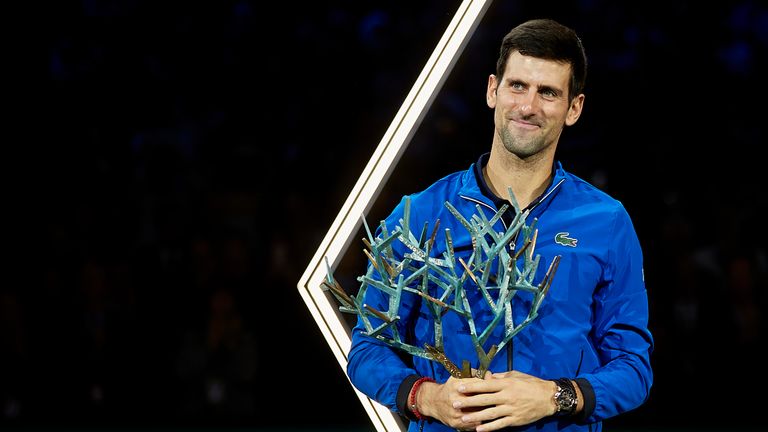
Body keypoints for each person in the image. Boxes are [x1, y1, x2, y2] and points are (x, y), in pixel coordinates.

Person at [346, 18, 653, 432]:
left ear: (573, 108)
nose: (528, 106)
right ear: (493, 90)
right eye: (517, 86)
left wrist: (554, 396)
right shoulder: (418, 215)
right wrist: (427, 397)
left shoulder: (607, 221)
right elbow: (367, 348)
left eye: (548, 93)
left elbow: (633, 367)